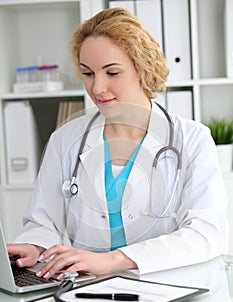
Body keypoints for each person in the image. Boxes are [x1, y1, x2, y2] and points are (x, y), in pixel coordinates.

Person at [7, 7, 228, 279]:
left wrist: (116, 260)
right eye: (88, 73)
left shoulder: (192, 139)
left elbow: (206, 233)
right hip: (86, 292)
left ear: (142, 69)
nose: (97, 88)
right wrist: (35, 246)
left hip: (168, 286)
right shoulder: (65, 140)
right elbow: (44, 221)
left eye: (111, 73)